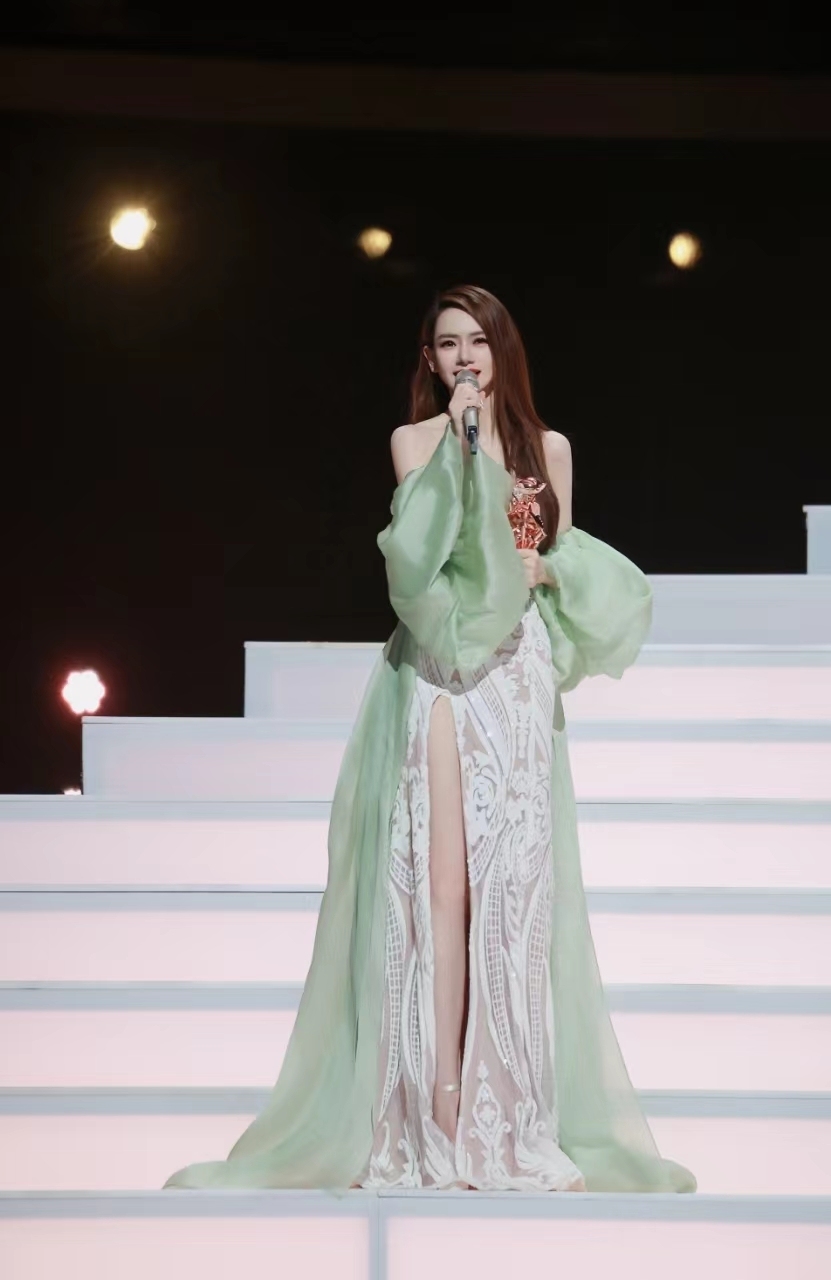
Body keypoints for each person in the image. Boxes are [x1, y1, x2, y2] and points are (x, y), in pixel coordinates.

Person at [164, 284, 696, 1194]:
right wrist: (460, 446)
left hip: (516, 670)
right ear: (431, 361)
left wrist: (543, 567)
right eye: (447, 344)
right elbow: (416, 560)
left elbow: (558, 554)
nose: (464, 358)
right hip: (442, 668)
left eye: (477, 342)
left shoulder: (548, 450)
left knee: (511, 894)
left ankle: (507, 1116)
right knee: (439, 888)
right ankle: (435, 1111)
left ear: (502, 350)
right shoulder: (416, 443)